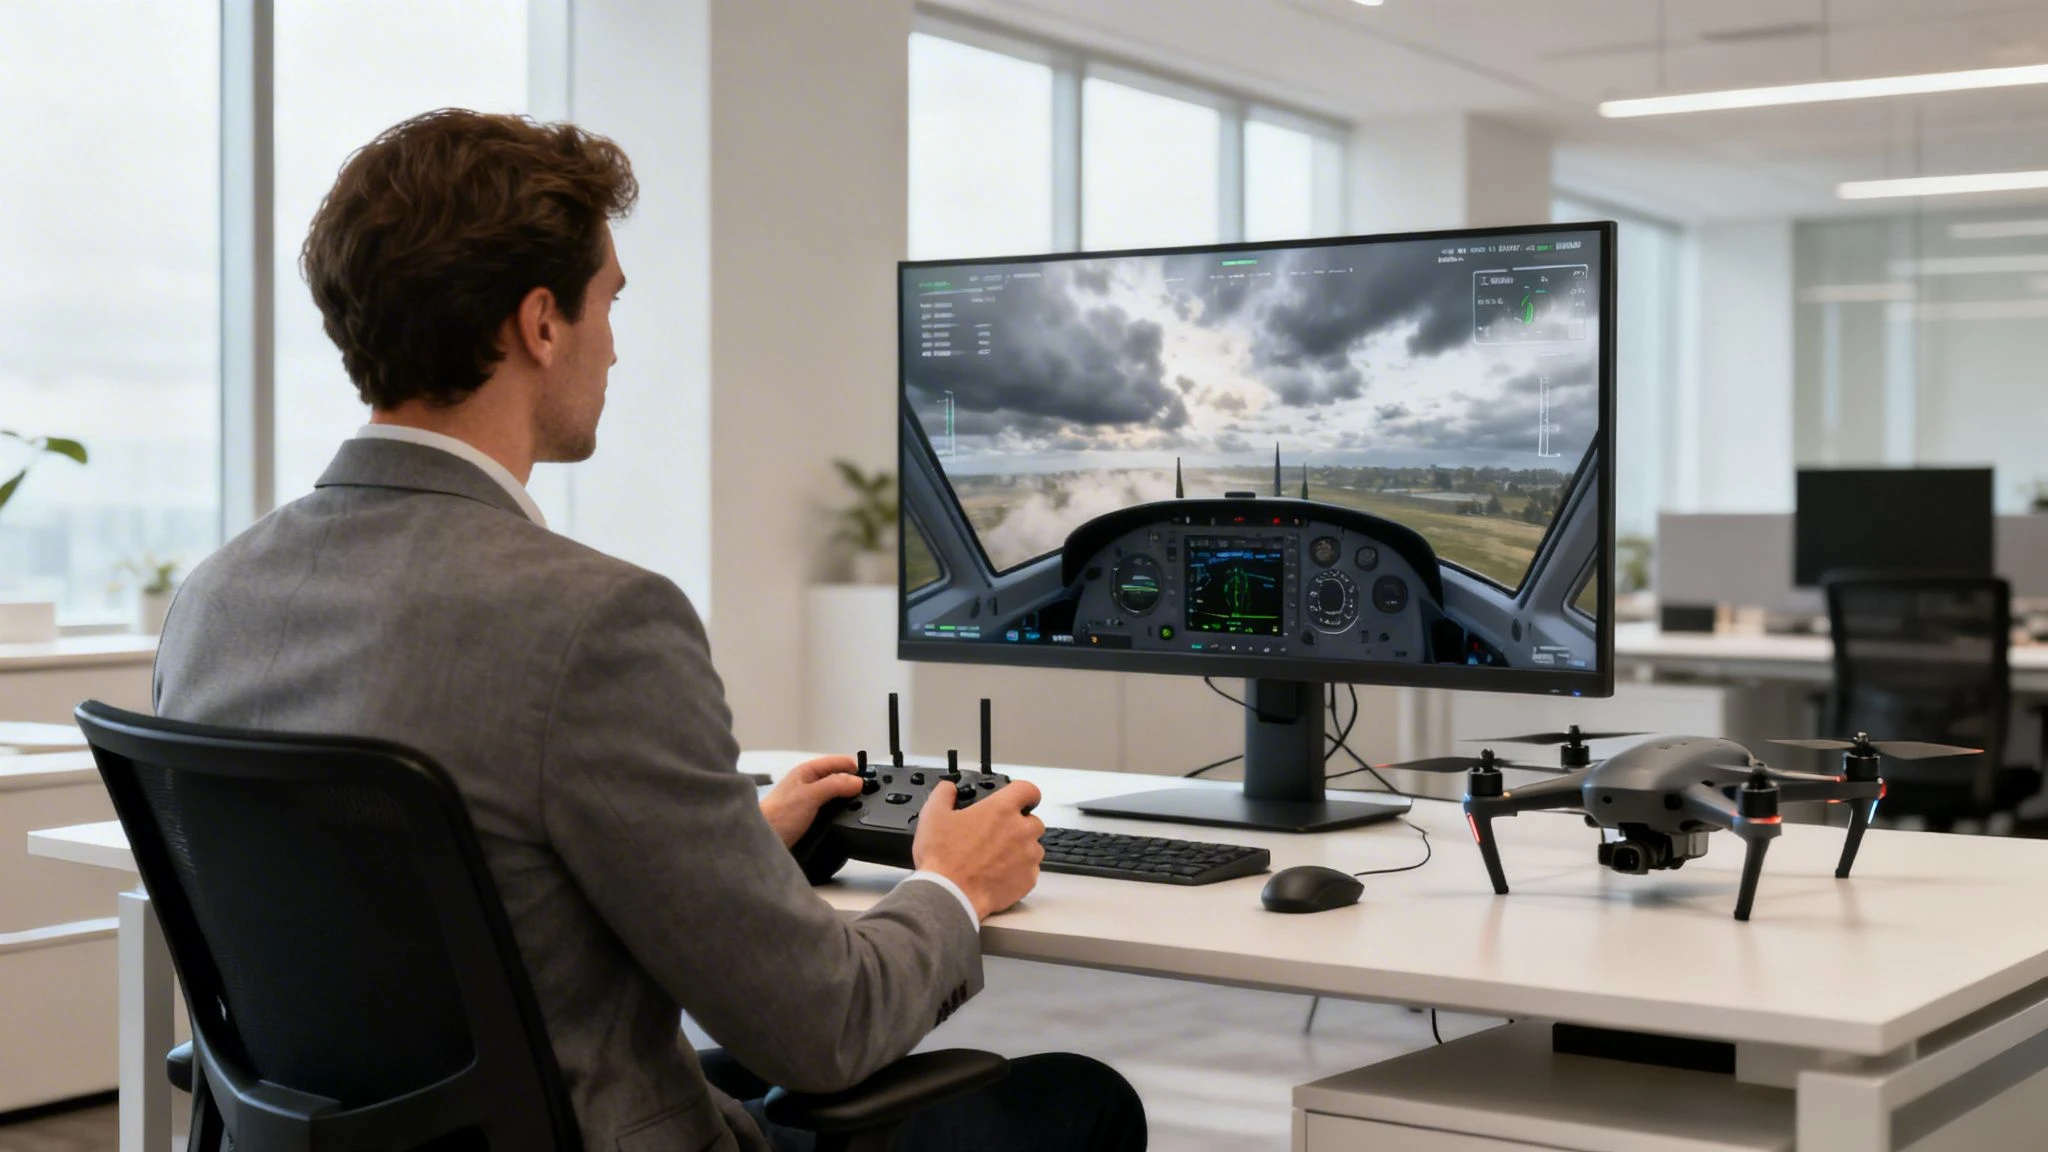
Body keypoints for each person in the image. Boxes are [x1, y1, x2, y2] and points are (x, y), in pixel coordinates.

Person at [154, 108, 1146, 1152]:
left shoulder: (215, 600)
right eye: (609, 301)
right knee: (1077, 1101)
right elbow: (826, 1029)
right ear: (541, 324)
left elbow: (443, 898)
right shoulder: (596, 622)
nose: (615, 346)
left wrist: (721, 847)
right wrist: (952, 883)